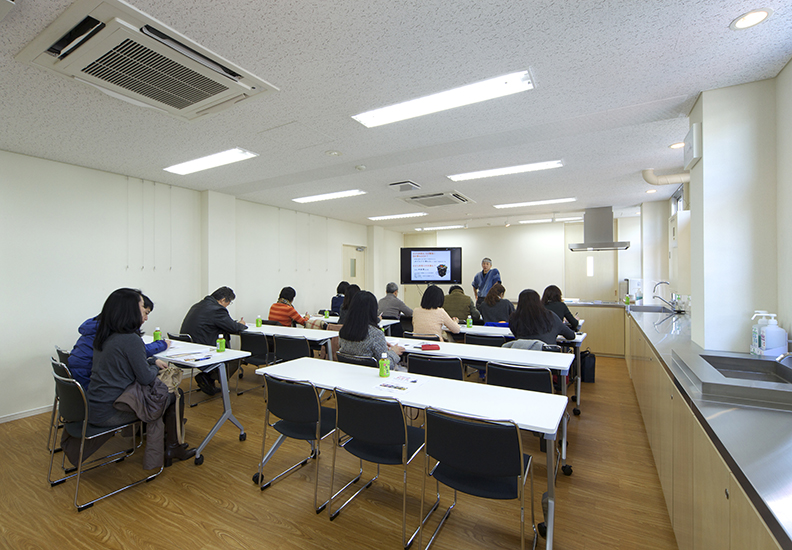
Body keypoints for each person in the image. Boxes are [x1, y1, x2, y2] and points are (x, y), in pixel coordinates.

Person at [87, 288, 195, 466]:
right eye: (142, 307)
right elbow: (146, 378)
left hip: (95, 405)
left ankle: (165, 443)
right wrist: (153, 366)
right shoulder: (130, 339)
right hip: (112, 411)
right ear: (129, 310)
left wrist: (149, 363)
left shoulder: (104, 335)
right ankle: (173, 447)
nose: (145, 315)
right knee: (174, 394)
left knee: (164, 393)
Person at [68, 291, 170, 390]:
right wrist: (161, 347)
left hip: (82, 379)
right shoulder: (117, 335)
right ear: (130, 310)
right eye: (143, 309)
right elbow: (143, 370)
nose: (145, 317)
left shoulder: (98, 327)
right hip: (92, 382)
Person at [181, 286, 247, 395]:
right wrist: (240, 324)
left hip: (188, 347)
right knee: (237, 357)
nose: (227, 306)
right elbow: (235, 328)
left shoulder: (198, 305)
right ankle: (208, 377)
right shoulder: (217, 309)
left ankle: (208, 378)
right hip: (203, 350)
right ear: (222, 300)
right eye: (228, 303)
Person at [339, 291, 404, 368]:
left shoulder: (344, 331)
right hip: (370, 377)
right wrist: (394, 352)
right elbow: (387, 365)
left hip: (348, 375)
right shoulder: (375, 334)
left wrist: (380, 343)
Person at [509, 289, 575, 345]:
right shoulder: (551, 316)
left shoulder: (514, 317)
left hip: (523, 356)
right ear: (538, 301)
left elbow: (516, 335)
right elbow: (571, 336)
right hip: (547, 356)